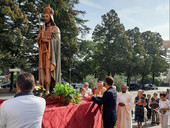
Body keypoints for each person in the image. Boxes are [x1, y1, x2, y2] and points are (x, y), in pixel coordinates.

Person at [37, 4, 61, 95]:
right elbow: (39, 41)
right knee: (42, 69)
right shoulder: (43, 28)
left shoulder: (55, 29)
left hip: (50, 54)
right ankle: (42, 89)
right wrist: (40, 36)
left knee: (47, 70)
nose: (45, 18)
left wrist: (47, 40)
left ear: (50, 17)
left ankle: (47, 89)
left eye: (47, 16)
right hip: (42, 52)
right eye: (44, 16)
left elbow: (56, 42)